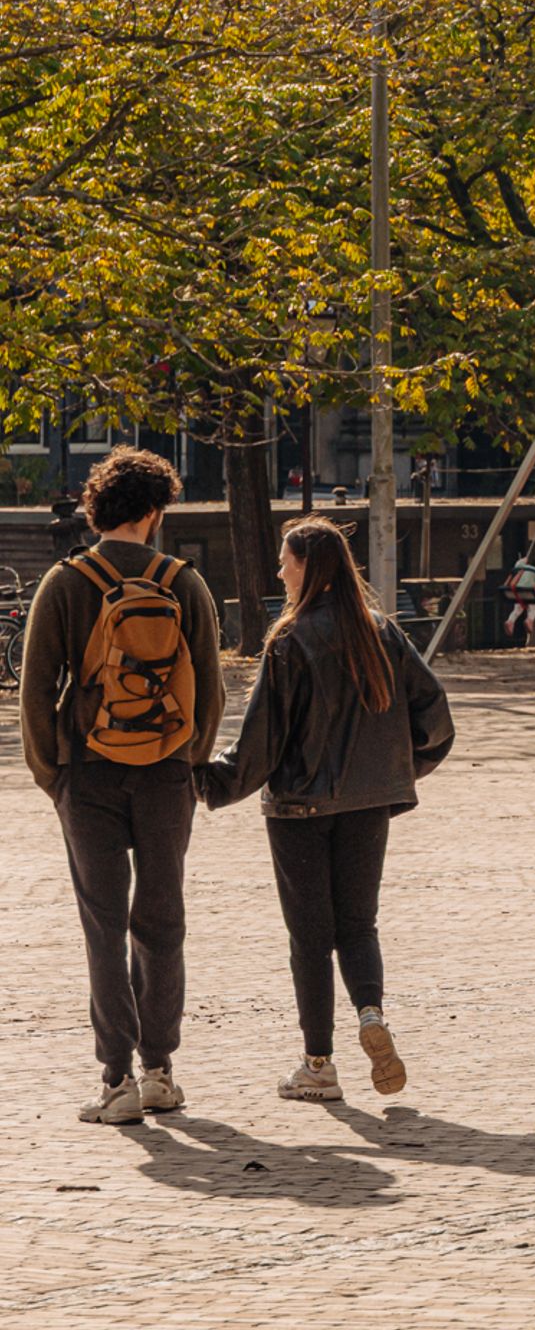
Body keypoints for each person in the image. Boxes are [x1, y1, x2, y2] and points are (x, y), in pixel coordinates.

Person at [199, 517, 454, 1103]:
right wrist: (397, 770)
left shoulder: (290, 641)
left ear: (309, 567)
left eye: (286, 561)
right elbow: (435, 713)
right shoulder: (382, 631)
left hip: (300, 810)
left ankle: (319, 1065)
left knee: (309, 937)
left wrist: (210, 782)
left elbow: (262, 740)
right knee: (358, 923)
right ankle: (370, 1013)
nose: (279, 571)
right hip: (369, 804)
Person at [18, 448, 227, 1125]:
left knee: (103, 925)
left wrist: (54, 775)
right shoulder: (183, 581)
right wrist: (189, 762)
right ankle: (161, 1069)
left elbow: (35, 689)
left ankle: (116, 1081)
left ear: (95, 511)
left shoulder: (66, 581)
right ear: (154, 513)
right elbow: (212, 691)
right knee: (162, 921)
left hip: (91, 772)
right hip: (167, 772)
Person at [500, 551, 535, 645]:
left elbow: (517, 565)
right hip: (528, 593)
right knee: (534, 607)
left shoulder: (524, 567)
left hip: (516, 592)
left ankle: (510, 621)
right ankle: (529, 620)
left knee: (517, 609)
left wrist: (522, 560)